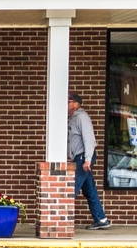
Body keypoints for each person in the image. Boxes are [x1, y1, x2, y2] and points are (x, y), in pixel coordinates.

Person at [68, 92, 113, 229]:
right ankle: (101, 219)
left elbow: (89, 140)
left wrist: (87, 160)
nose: (67, 104)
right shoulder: (72, 118)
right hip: (79, 157)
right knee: (89, 190)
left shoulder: (82, 117)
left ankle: (59, 220)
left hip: (83, 157)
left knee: (71, 188)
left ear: (76, 104)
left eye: (69, 101)